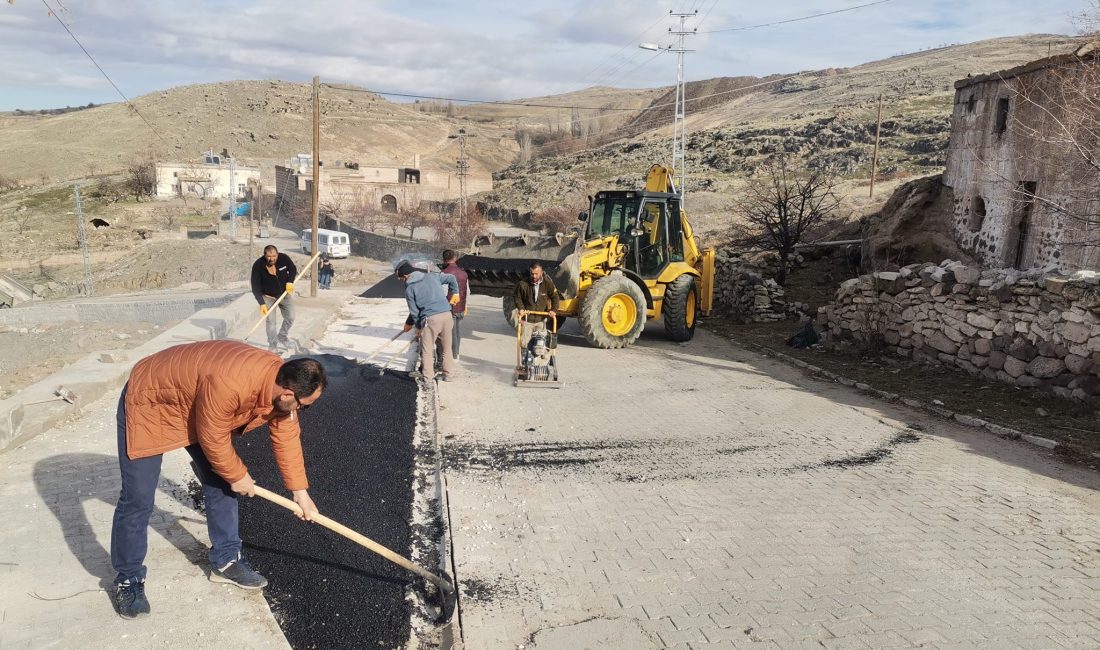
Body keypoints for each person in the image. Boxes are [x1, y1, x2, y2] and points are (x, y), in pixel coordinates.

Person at [110, 340, 327, 619]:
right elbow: (212, 435)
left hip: (196, 400)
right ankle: (128, 578)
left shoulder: (280, 387)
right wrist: (238, 475)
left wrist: (301, 492)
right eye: (304, 406)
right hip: (151, 401)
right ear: (287, 393)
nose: (301, 410)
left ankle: (226, 561)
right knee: (138, 497)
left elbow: (286, 438)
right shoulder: (232, 383)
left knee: (222, 482)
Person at [397, 261, 460, 382]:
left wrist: (418, 328)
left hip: (431, 320)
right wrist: (455, 293)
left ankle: (427, 379)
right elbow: (451, 278)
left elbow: (415, 313)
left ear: (405, 276)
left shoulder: (410, 289)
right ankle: (448, 375)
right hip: (447, 315)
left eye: (401, 279)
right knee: (446, 347)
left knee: (427, 349)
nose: (402, 282)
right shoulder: (433, 276)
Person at [250, 245, 297, 352]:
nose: (272, 259)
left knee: (291, 317)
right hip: (268, 297)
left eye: (274, 256)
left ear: (277, 254)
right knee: (271, 322)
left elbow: (293, 269)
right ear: (264, 255)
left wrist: (290, 281)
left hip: (285, 294)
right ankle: (273, 345)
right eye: (269, 256)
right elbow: (255, 286)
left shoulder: (284, 258)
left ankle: (282, 336)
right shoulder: (258, 265)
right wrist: (261, 303)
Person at [513, 262, 560, 347]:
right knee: (524, 344)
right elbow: (517, 297)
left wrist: (553, 310)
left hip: (541, 320)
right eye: (532, 273)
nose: (534, 276)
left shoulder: (548, 283)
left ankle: (542, 358)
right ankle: (525, 358)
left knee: (541, 344)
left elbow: (555, 297)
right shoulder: (523, 284)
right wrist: (521, 309)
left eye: (536, 274)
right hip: (527, 320)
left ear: (541, 272)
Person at [439, 250, 469, 360]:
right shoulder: (463, 272)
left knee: (451, 333)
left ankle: (453, 356)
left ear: (443, 259)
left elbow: (442, 292)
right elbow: (467, 291)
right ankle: (456, 354)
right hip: (461, 307)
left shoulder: (444, 273)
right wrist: (465, 305)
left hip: (450, 308)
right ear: (455, 258)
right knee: (457, 331)